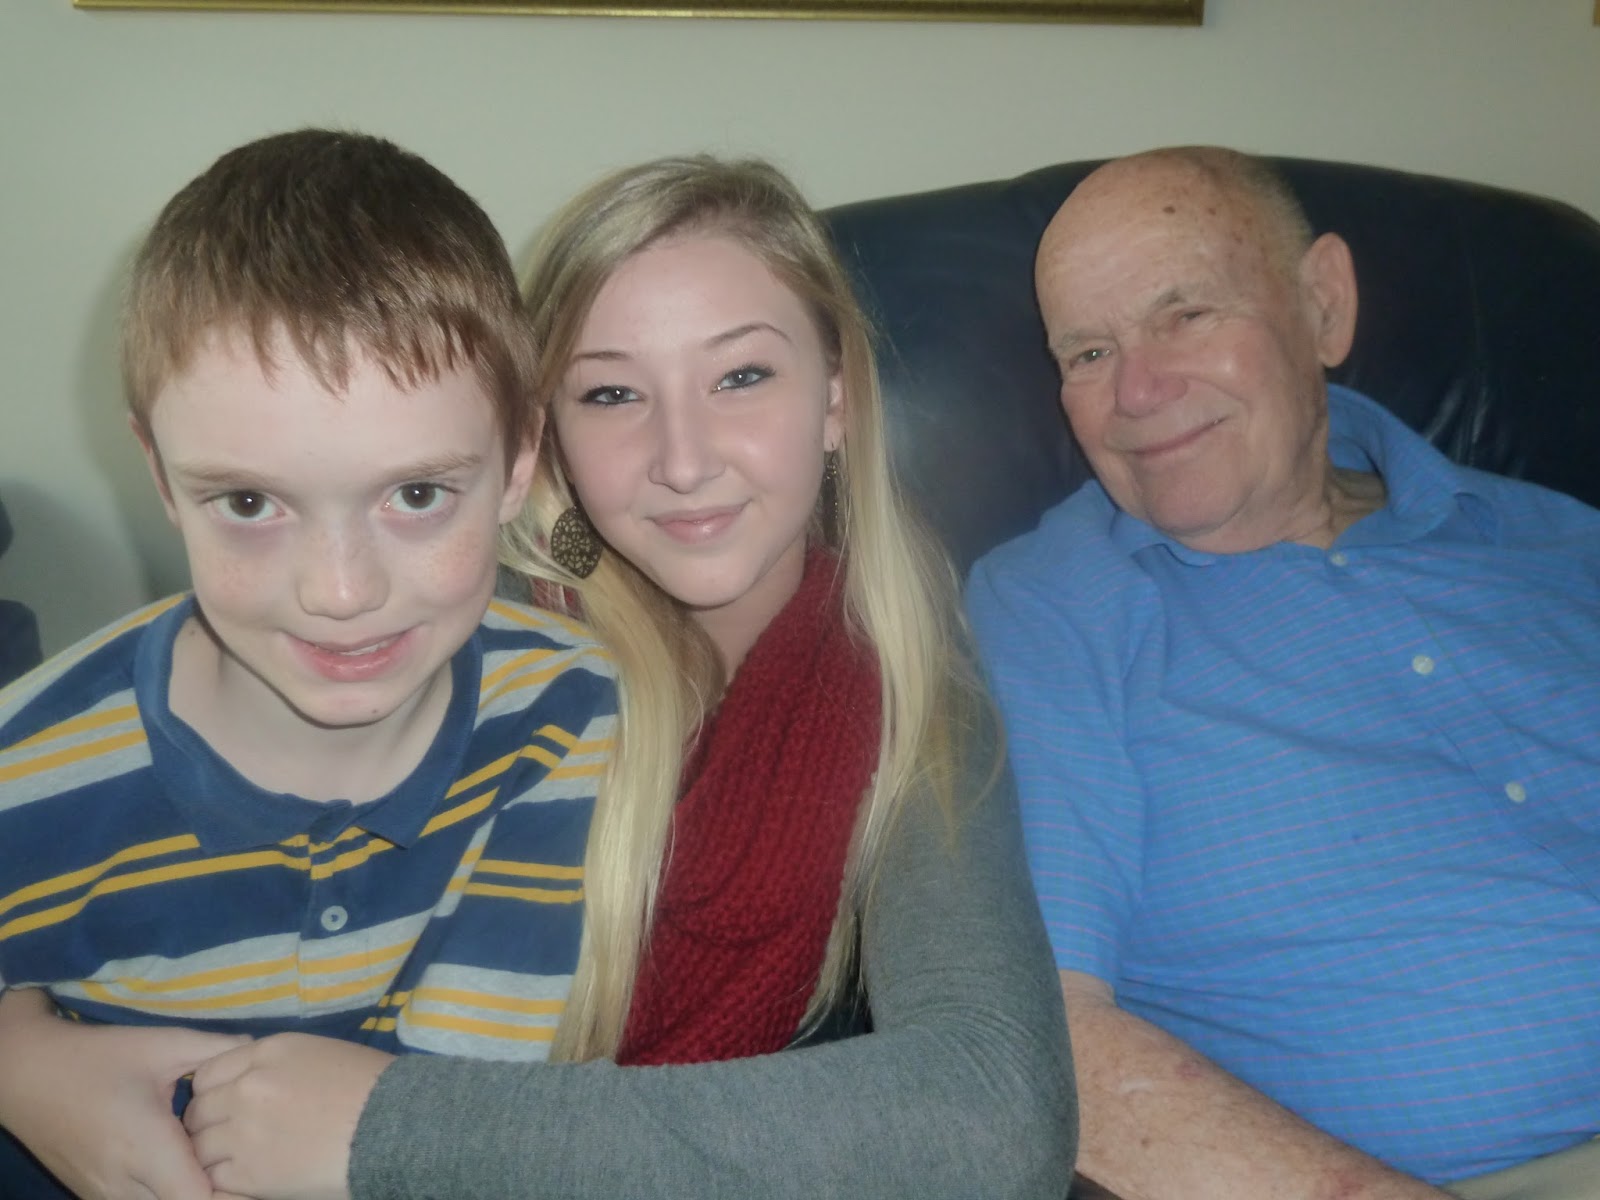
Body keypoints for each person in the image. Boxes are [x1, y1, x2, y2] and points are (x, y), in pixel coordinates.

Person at [1, 155, 1075, 1199]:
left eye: (741, 376)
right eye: (610, 392)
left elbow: (990, 1113)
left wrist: (395, 1131)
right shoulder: (440, 623)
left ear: (835, 395)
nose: (685, 460)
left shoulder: (905, 687)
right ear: (542, 436)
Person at [966, 145, 1600, 1200]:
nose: (1137, 391)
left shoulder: (1564, 543)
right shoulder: (1051, 612)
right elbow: (1039, 1040)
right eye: (1088, 352)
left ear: (1323, 306)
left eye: (1184, 315)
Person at [0, 129, 617, 1198]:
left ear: (519, 458)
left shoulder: (585, 721)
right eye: (249, 503)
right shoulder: (30, 775)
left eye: (416, 494)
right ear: (160, 474)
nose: (339, 591)